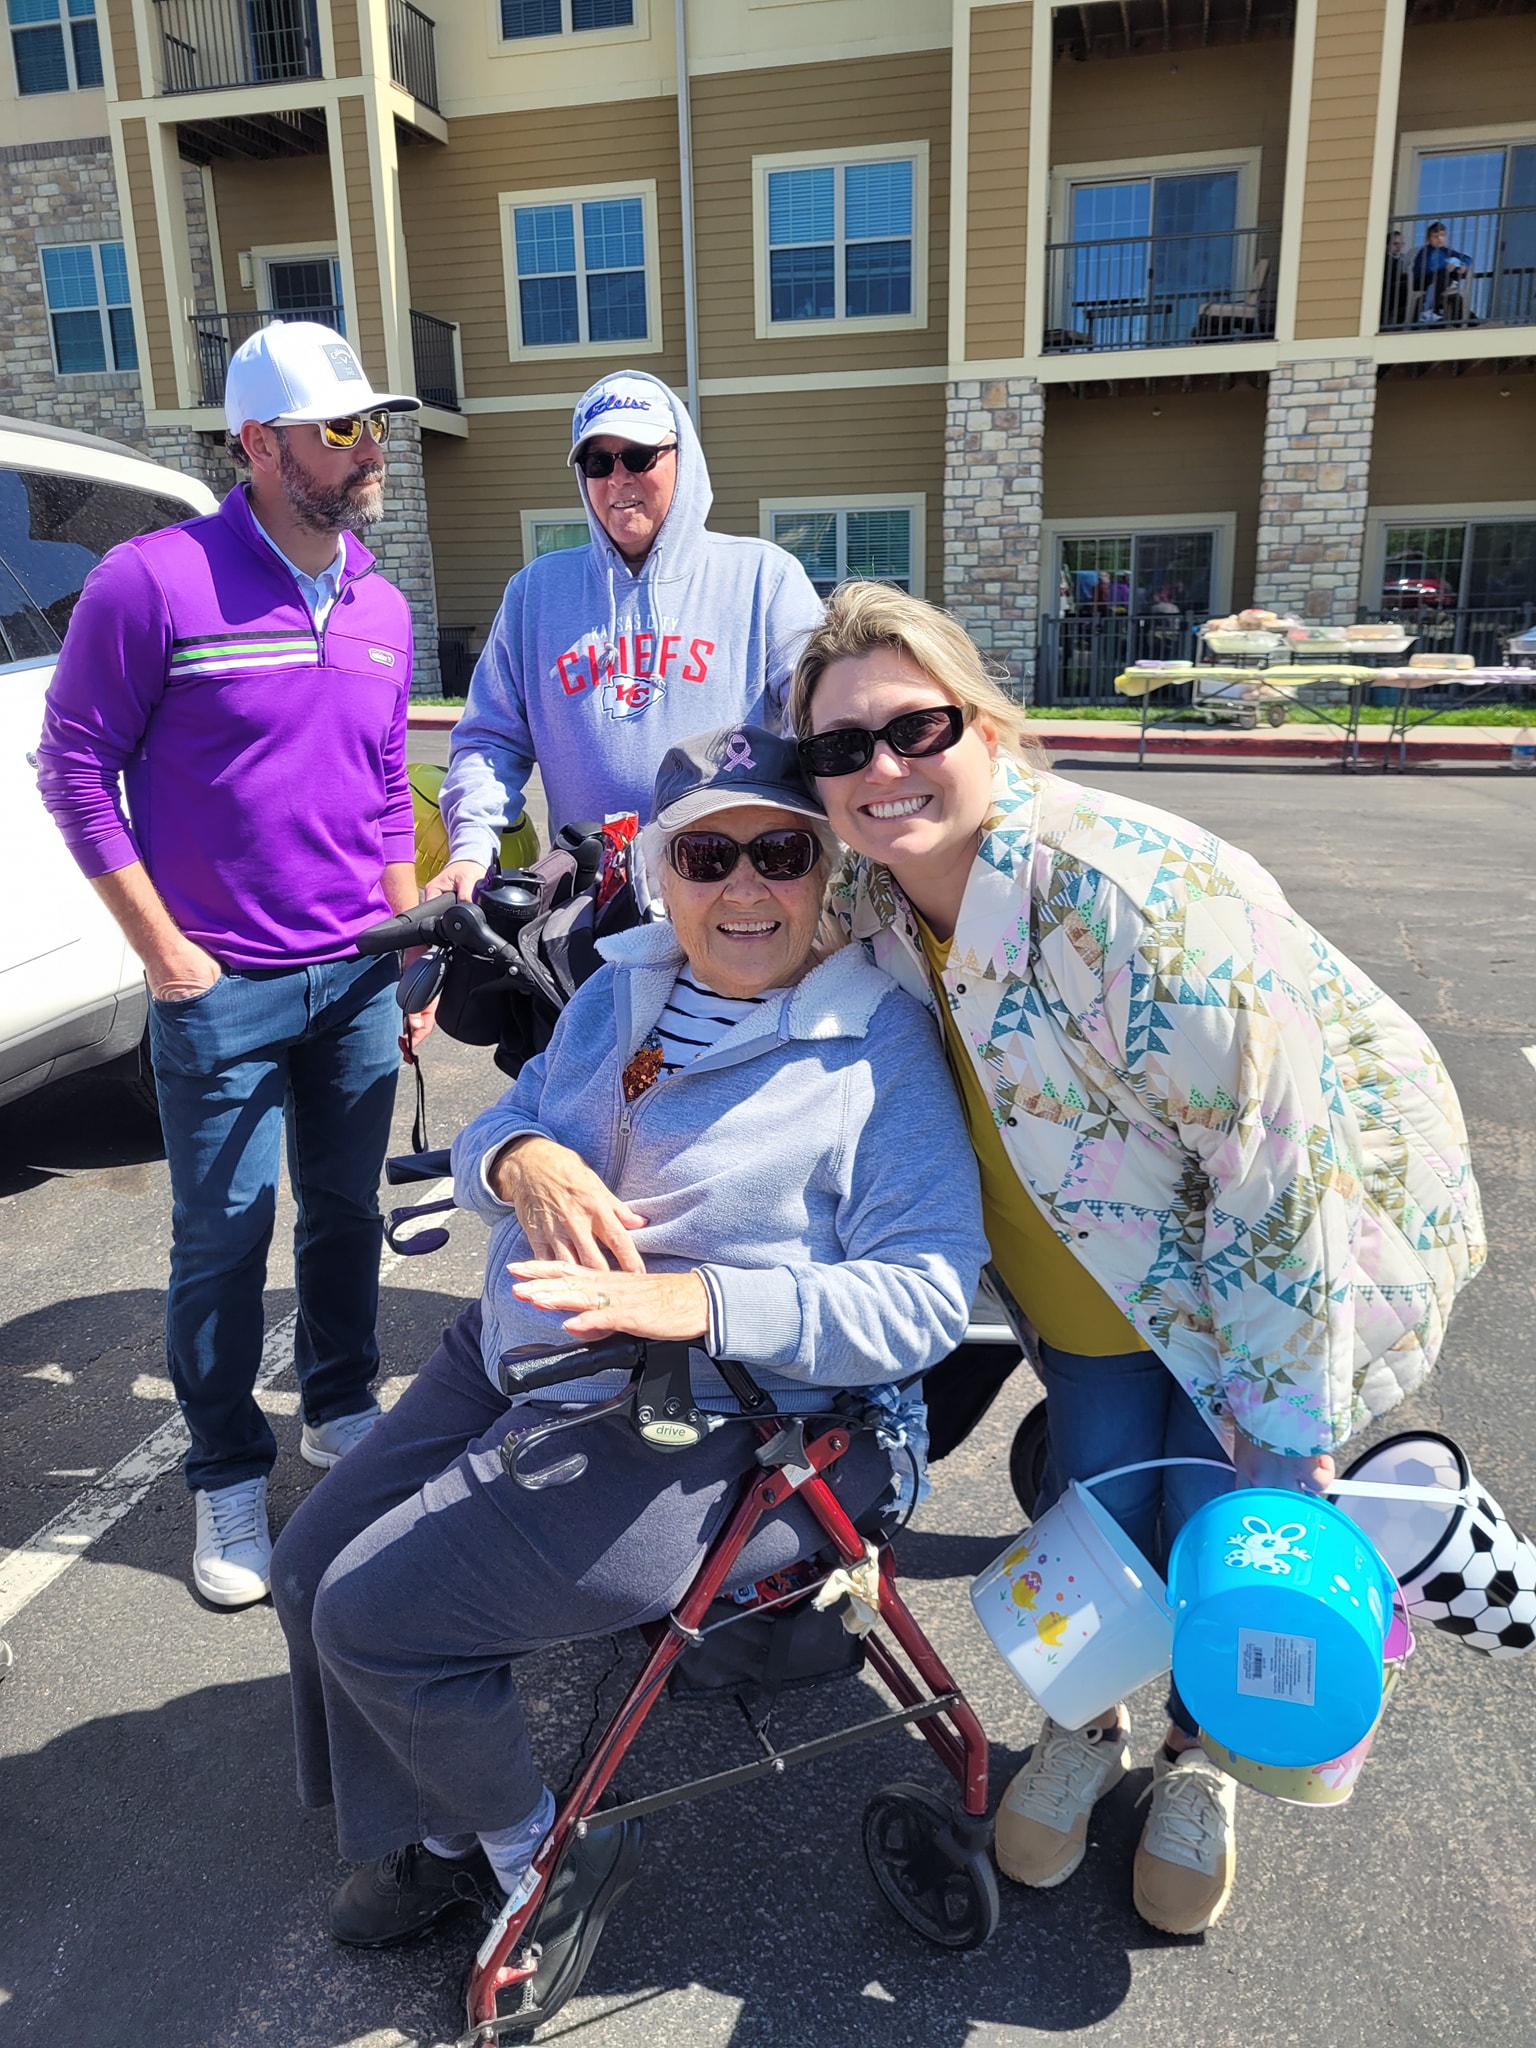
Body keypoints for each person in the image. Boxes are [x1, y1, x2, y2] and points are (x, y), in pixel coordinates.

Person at [789, 583, 1485, 1936]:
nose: (879, 769)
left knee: (1234, 1536)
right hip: (1090, 1295)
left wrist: (1285, 1432)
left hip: (1274, 1273)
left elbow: (1281, 1166)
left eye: (913, 727)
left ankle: (1205, 1757)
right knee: (1106, 1516)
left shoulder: (1120, 894)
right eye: (838, 748)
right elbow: (731, 932)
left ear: (986, 726)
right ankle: (1089, 1720)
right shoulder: (873, 899)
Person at [269, 725, 984, 2002]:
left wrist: (694, 1301)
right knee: (309, 1565)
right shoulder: (621, 983)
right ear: (664, 870)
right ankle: (437, 1832)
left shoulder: (872, 1047)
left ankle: (543, 1851)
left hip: (711, 1422)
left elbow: (926, 1298)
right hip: (517, 1350)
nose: (745, 886)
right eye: (709, 853)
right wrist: (517, 1161)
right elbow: (512, 1115)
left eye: (781, 849)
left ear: (829, 867)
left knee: (374, 1622)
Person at [37, 321, 429, 1609]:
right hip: (224, 989)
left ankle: (337, 1402)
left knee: (347, 1215)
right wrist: (163, 951)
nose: (368, 448)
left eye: (373, 424)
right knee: (220, 1239)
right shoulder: (152, 582)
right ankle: (224, 1467)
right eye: (339, 429)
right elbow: (75, 768)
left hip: (358, 976)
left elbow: (382, 787)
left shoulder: (380, 600)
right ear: (257, 444)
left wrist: (409, 934)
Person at [429, 371, 823, 900]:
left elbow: (821, 716)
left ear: (681, 459)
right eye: (597, 462)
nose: (618, 478)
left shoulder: (763, 578)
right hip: (589, 903)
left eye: (638, 456)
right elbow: (489, 739)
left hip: (733, 891)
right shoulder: (536, 592)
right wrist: (473, 847)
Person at [1412, 222, 1474, 323]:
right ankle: (1430, 310)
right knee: (1444, 272)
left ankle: (1467, 319)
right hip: (1423, 281)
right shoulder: (1426, 251)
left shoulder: (1446, 251)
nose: (1439, 239)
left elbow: (1467, 258)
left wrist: (1463, 265)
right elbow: (1426, 269)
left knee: (1457, 271)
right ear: (1429, 238)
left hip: (1441, 281)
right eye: (1435, 236)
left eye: (1442, 235)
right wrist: (1445, 266)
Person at [1381, 227, 1411, 326]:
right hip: (1387, 295)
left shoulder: (1399, 260)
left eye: (1401, 244)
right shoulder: (1384, 260)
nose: (1399, 247)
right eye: (1395, 244)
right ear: (1386, 245)